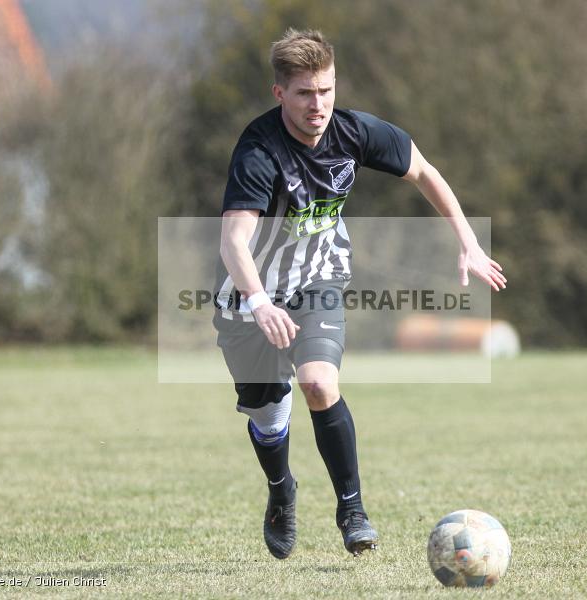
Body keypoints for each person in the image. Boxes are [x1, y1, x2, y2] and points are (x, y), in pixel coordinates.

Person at [213, 28, 506, 559]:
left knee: (319, 383)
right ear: (279, 93)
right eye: (304, 93)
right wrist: (259, 303)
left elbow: (424, 171)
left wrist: (468, 242)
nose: (317, 105)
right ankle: (282, 491)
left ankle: (353, 510)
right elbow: (234, 240)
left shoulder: (354, 132)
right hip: (251, 297)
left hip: (320, 278)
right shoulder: (258, 151)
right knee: (268, 417)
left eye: (325, 90)